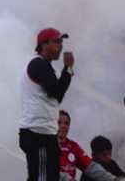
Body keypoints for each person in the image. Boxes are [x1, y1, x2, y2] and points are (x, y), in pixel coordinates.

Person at [19, 28, 74, 181]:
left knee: (47, 177)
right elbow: (57, 93)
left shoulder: (45, 65)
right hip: (38, 134)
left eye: (61, 42)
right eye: (56, 42)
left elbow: (56, 95)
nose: (61, 46)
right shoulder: (38, 64)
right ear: (43, 44)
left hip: (44, 133)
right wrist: (68, 69)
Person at [57, 111, 125, 181]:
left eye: (66, 123)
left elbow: (90, 167)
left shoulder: (73, 146)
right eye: (59, 123)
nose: (63, 126)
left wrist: (115, 179)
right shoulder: (46, 145)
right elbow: (47, 171)